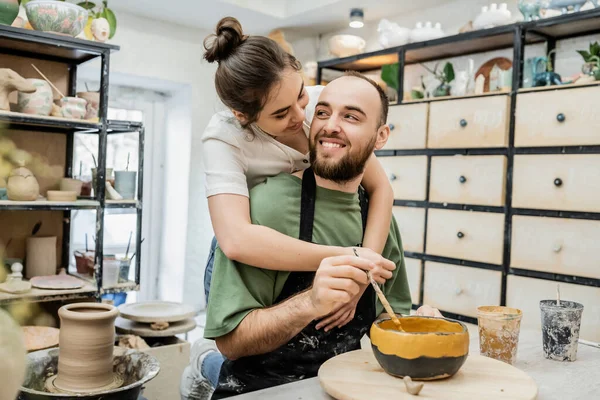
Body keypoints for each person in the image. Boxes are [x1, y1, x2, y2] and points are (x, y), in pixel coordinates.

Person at [198, 72, 442, 399]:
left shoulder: (379, 219)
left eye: (351, 116)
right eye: (323, 113)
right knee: (213, 359)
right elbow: (231, 343)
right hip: (261, 389)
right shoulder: (264, 206)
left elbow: (388, 319)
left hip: (339, 388)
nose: (329, 125)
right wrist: (309, 303)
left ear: (380, 136)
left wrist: (421, 330)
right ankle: (201, 366)